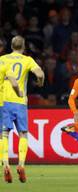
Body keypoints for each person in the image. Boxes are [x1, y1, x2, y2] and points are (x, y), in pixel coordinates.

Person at [1, 36, 45, 183]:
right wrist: (40, 82)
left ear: (11, 46)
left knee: (4, 134)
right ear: (24, 46)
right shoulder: (27, 60)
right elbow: (40, 73)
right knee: (23, 134)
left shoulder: (3, 59)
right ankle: (21, 164)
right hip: (20, 102)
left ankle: (5, 164)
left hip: (4, 101)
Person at [0, 56, 23, 169]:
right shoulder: (4, 64)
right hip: (2, 102)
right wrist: (19, 93)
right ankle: (3, 163)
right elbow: (14, 83)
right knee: (2, 134)